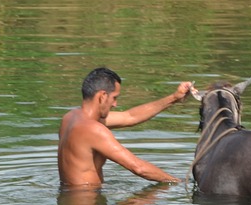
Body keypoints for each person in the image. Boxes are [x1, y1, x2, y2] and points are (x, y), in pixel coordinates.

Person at [58, 66, 195, 189]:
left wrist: (174, 98)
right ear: (103, 96)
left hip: (70, 201)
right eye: (114, 98)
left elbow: (130, 116)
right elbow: (138, 168)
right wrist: (177, 181)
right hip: (87, 203)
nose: (115, 104)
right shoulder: (94, 130)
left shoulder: (70, 118)